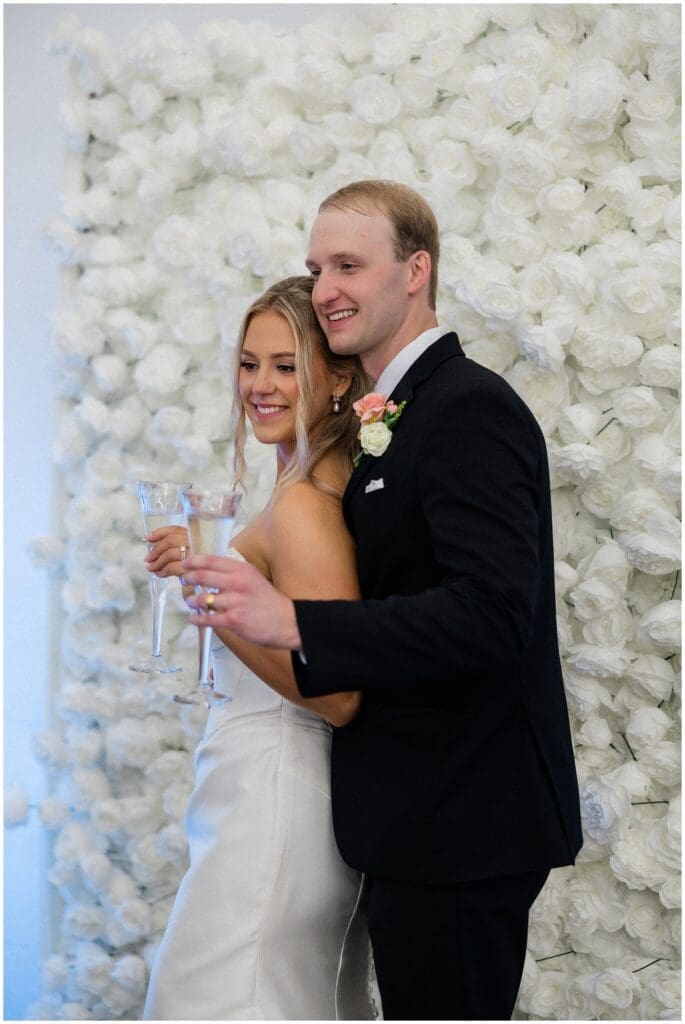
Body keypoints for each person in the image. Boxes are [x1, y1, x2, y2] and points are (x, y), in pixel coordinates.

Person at [182, 180, 584, 1021]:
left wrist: (289, 620)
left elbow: (491, 613)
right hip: (413, 821)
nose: (325, 286)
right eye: (315, 266)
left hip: (462, 825)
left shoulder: (467, 406)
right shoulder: (393, 413)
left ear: (415, 271)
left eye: (348, 264)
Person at [142, 276, 374, 1020]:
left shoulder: (306, 505)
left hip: (276, 798)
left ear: (337, 378)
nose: (261, 386)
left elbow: (339, 696)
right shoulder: (298, 489)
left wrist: (218, 601)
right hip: (249, 790)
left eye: (286, 366)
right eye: (249, 364)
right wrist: (210, 572)